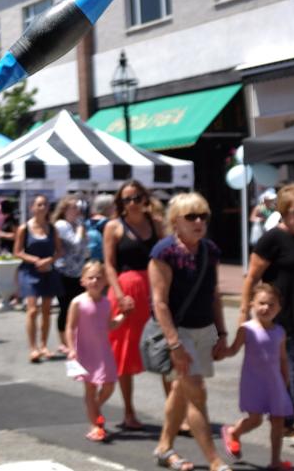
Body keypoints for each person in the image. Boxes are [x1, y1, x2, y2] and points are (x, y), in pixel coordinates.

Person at [149, 192, 230, 471]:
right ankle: (215, 461)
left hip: (203, 329)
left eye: (203, 216)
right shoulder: (164, 252)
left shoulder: (210, 250)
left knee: (180, 392)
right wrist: (173, 343)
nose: (198, 221)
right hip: (177, 332)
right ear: (175, 221)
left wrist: (222, 333)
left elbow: (214, 295)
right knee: (197, 391)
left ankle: (163, 448)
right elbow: (159, 302)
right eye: (191, 216)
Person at [238, 184, 294, 454]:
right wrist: (244, 311)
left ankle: (286, 420)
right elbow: (252, 276)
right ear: (285, 212)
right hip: (287, 319)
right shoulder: (273, 239)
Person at [102, 179, 164, 430]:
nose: (132, 203)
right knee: (125, 352)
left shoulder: (156, 223)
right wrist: (118, 295)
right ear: (120, 203)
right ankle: (129, 411)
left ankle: (174, 411)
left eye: (137, 197)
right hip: (126, 292)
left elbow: (165, 256)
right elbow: (109, 264)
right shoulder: (114, 227)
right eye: (127, 199)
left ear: (145, 198)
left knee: (164, 348)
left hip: (153, 289)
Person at [221, 283, 294, 470]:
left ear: (279, 308)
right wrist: (220, 351)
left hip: (275, 383)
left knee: (278, 421)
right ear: (252, 303)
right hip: (253, 382)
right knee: (255, 420)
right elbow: (233, 350)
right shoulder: (247, 329)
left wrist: (285, 381)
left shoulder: (280, 331)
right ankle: (233, 432)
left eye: (271, 304)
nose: (266, 308)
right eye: (261, 303)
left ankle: (275, 461)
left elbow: (283, 359)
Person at [66, 260, 127, 442]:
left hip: (103, 351)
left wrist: (123, 316)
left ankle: (94, 407)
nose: (94, 281)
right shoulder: (77, 302)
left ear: (105, 281)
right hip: (85, 351)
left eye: (99, 278)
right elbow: (70, 327)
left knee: (109, 385)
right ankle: (95, 425)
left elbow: (109, 325)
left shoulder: (107, 302)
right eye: (90, 277)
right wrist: (71, 349)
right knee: (91, 388)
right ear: (82, 281)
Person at [14, 194, 64, 363]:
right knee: (32, 309)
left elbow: (59, 251)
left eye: (45, 204)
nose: (43, 207)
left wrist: (49, 260)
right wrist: (35, 260)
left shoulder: (52, 228)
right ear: (32, 208)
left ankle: (43, 345)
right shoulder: (24, 228)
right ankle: (33, 347)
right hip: (30, 271)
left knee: (46, 310)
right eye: (40, 204)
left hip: (48, 271)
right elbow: (18, 251)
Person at [54, 195, 89, 355]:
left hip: (78, 271)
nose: (77, 210)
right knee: (66, 308)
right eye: (73, 207)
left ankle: (77, 340)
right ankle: (64, 342)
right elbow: (75, 244)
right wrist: (81, 229)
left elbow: (85, 247)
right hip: (64, 272)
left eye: (78, 207)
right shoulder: (62, 225)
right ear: (65, 210)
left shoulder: (76, 224)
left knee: (80, 308)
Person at [85, 194, 114, 262]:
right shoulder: (109, 223)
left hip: (88, 258)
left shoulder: (87, 222)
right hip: (102, 259)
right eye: (113, 206)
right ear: (107, 207)